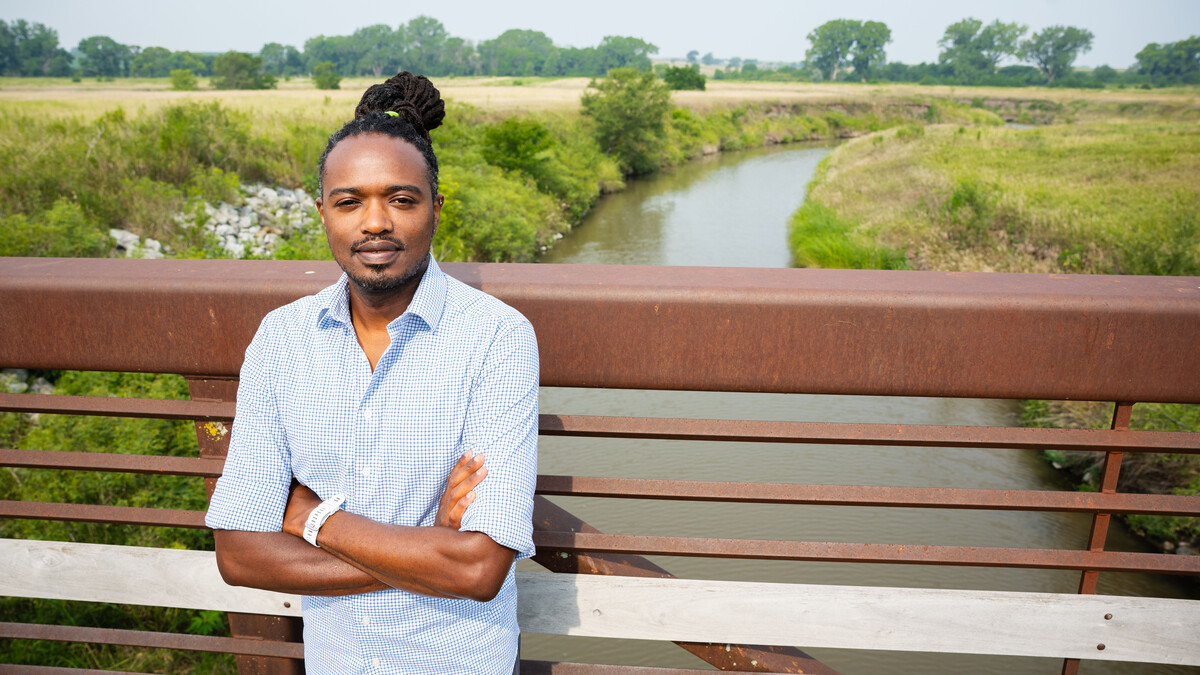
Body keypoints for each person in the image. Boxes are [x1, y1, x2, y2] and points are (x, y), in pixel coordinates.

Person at [205, 71, 538, 674]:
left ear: (436, 208)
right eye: (350, 201)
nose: (375, 222)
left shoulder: (497, 338)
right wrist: (424, 552)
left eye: (401, 199)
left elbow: (478, 569)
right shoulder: (282, 340)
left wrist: (310, 518)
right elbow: (240, 555)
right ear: (324, 213)